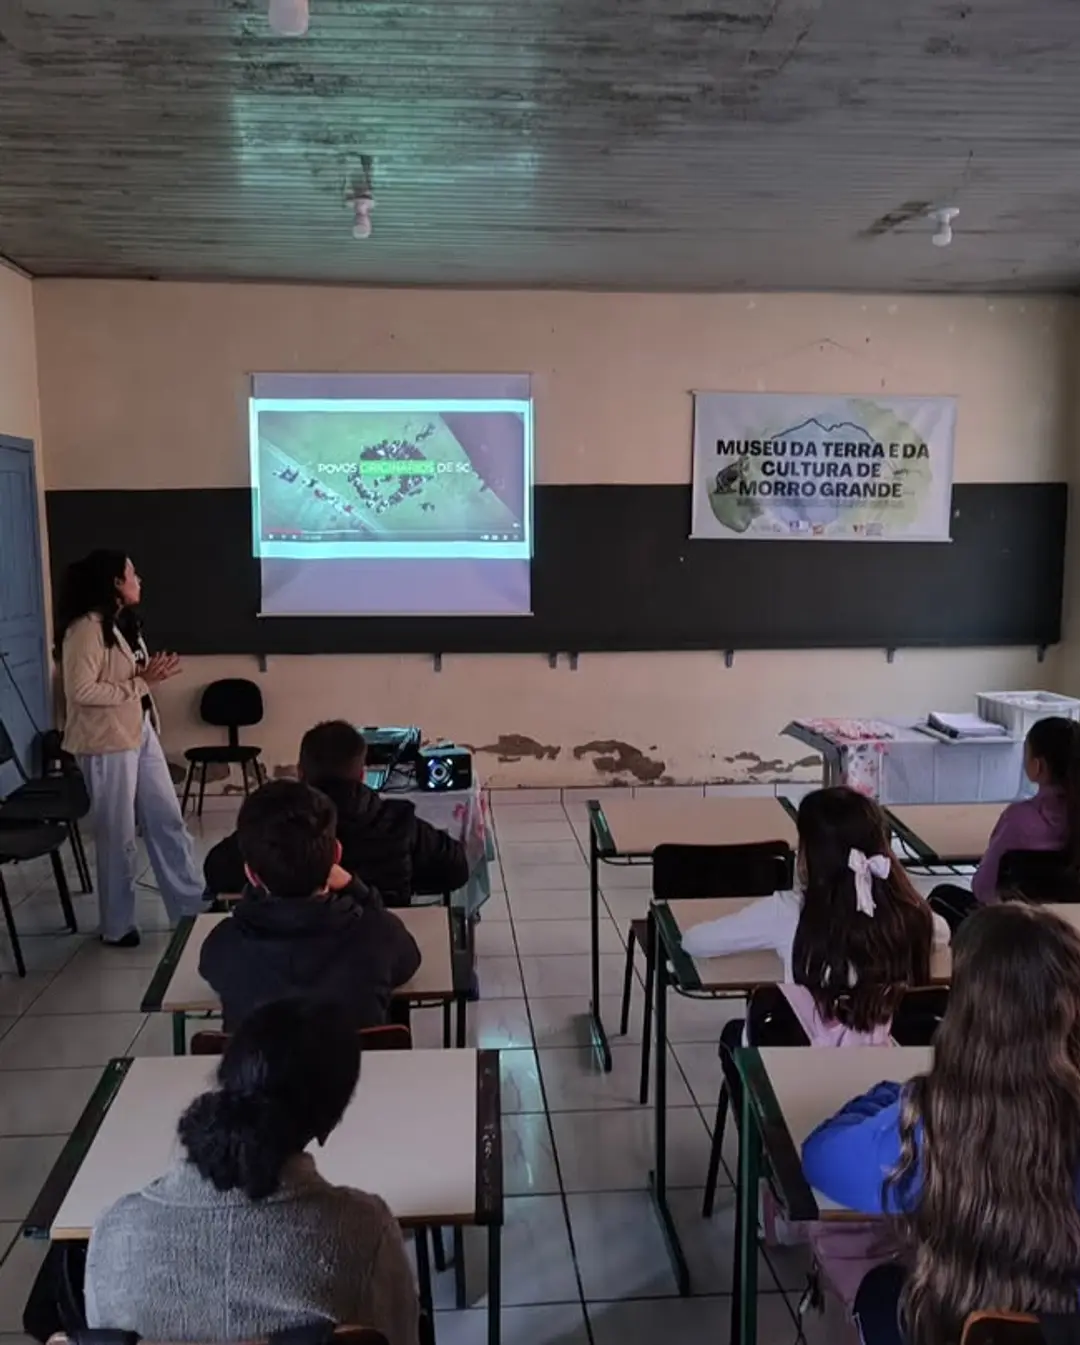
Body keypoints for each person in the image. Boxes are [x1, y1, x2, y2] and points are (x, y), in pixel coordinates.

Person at [801, 903, 1080, 1345]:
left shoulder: (929, 1123)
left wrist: (892, 1095)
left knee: (881, 1288)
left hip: (954, 1324)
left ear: (966, 1012)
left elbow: (819, 1157)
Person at [84, 998, 420, 1345]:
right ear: (329, 1121)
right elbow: (401, 1337)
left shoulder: (114, 1230)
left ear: (227, 1080)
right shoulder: (364, 1232)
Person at [681, 786, 948, 1045]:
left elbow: (695, 942)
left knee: (735, 1034)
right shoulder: (914, 916)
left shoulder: (788, 911)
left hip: (806, 1067)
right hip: (892, 1069)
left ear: (812, 854)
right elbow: (943, 933)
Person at [56, 550, 204, 946]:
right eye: (132, 574)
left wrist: (146, 676)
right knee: (117, 833)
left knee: (166, 819)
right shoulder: (85, 629)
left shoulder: (119, 623)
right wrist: (141, 683)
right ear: (114, 583)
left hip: (138, 732)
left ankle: (189, 908)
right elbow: (80, 690)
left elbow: (121, 677)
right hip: (105, 742)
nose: (140, 580)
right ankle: (117, 925)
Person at [200, 779, 422, 1031]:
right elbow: (408, 963)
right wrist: (356, 888)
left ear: (251, 875)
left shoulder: (224, 943)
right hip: (355, 1070)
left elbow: (211, 970)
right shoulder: (380, 933)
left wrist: (250, 902)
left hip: (260, 1070)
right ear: (337, 856)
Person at [204, 719, 469, 906]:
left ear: (300, 773)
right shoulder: (398, 822)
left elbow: (216, 872)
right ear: (364, 775)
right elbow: (456, 870)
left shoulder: (272, 826)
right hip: (380, 939)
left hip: (291, 948)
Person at [929, 715, 1080, 930]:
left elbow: (983, 889)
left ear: (1037, 766)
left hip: (1011, 934)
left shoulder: (1019, 818)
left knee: (941, 896)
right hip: (1068, 931)